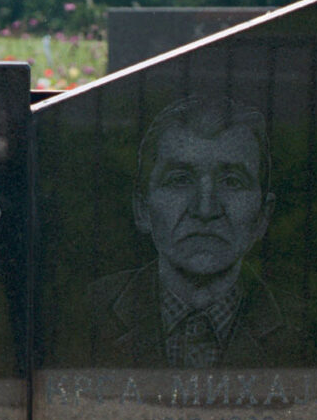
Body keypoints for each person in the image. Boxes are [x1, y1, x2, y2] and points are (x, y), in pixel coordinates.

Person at [88, 95, 301, 369]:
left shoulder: (311, 328)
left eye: (232, 182)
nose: (205, 209)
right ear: (142, 209)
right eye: (180, 180)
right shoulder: (83, 313)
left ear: (263, 216)